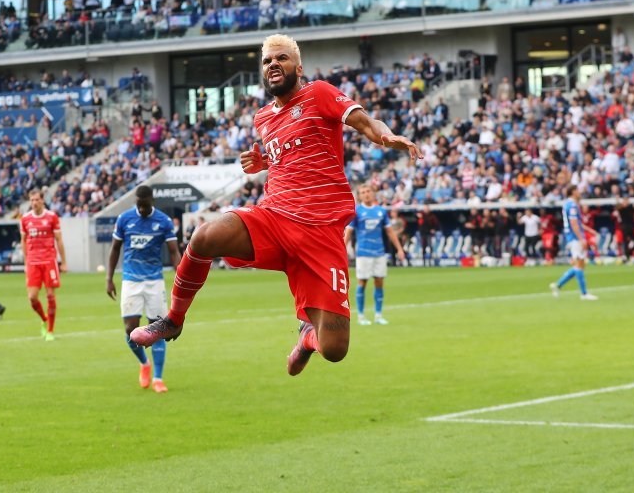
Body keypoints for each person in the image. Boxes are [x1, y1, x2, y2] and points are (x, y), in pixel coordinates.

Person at [130, 33, 421, 376]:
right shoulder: (263, 118)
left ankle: (308, 337)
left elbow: (364, 122)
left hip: (321, 232)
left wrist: (384, 136)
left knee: (335, 349)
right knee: (205, 235)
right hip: (275, 218)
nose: (273, 65)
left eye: (281, 58)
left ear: (299, 67)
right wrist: (263, 161)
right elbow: (292, 153)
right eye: (267, 61)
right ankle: (174, 320)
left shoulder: (319, 93)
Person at [106, 186, 182, 393]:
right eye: (139, 204)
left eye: (145, 205)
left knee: (156, 329)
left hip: (154, 281)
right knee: (131, 331)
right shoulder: (124, 219)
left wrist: (181, 274)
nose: (142, 208)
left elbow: (174, 251)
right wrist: (109, 278)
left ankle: (158, 377)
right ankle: (144, 364)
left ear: (152, 202)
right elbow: (115, 249)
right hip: (130, 280)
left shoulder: (164, 221)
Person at [344, 184, 406, 326]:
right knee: (362, 282)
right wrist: (342, 250)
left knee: (379, 282)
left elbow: (390, 231)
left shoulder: (381, 211)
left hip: (379, 252)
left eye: (368, 191)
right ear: (359, 196)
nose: (366, 194)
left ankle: (378, 315)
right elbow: (349, 233)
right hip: (363, 253)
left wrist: (399, 249)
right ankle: (361, 316)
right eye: (363, 192)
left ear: (373, 193)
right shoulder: (357, 212)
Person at [20, 190, 67, 341]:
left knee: (50, 295)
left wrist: (64, 261)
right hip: (33, 262)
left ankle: (50, 331)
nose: (34, 203)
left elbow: (59, 239)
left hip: (49, 261)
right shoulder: (25, 219)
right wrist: (26, 261)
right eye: (32, 200)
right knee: (32, 297)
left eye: (37, 200)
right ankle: (44, 319)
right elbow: (24, 240)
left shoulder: (52, 217)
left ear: (42, 201)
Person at [550, 185, 598, 300]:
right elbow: (574, 223)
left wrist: (589, 230)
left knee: (581, 264)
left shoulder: (568, 204)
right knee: (579, 264)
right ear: (572, 192)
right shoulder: (572, 205)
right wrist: (581, 239)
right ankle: (584, 294)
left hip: (572, 236)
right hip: (574, 237)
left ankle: (558, 285)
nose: (579, 192)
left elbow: (577, 223)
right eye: (577, 190)